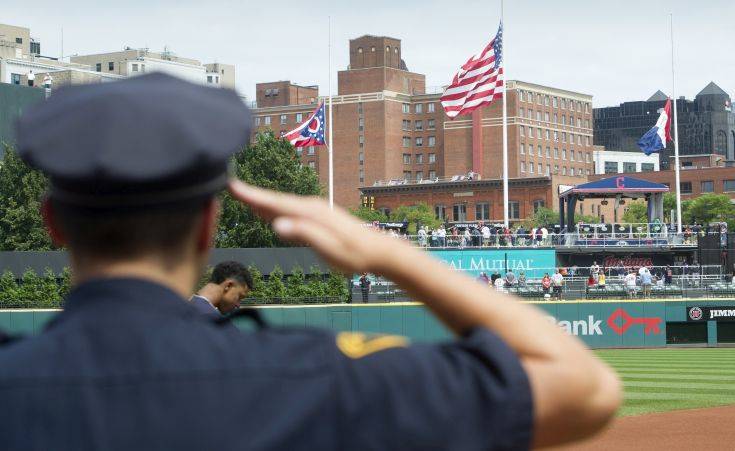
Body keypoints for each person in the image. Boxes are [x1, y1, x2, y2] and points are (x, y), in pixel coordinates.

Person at [0, 73, 620, 450]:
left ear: (54, 225)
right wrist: (387, 252)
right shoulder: (306, 378)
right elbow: (584, 388)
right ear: (207, 228)